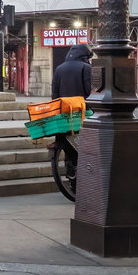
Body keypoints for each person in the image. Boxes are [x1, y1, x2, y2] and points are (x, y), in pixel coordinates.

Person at [50, 43, 94, 179]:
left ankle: (70, 172)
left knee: (68, 143)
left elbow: (54, 94)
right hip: (82, 113)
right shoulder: (86, 68)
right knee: (85, 144)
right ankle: (84, 175)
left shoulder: (59, 68)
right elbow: (89, 91)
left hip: (64, 114)